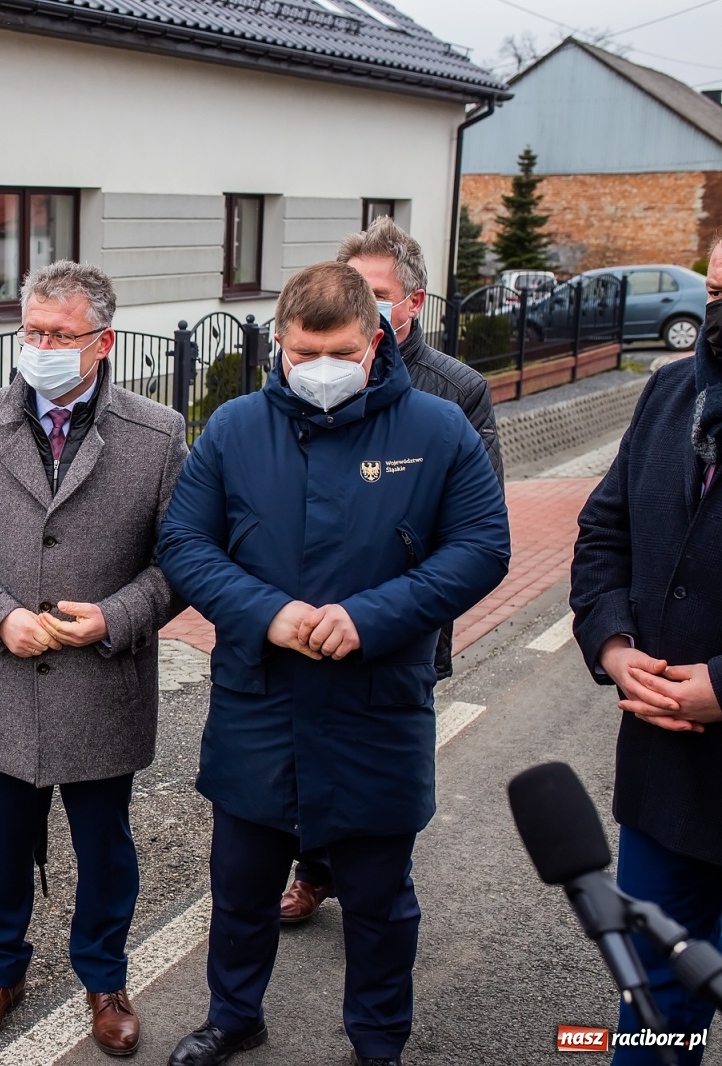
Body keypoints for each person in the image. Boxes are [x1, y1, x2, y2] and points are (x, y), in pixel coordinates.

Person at [156, 262, 510, 1066]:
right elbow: (183, 544)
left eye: (341, 352)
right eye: (302, 350)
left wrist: (370, 617)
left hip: (374, 705)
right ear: (276, 341)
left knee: (380, 902)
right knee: (242, 890)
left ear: (377, 339)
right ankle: (234, 1015)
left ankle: (378, 1039)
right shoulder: (235, 429)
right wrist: (265, 612)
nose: (320, 369)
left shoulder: (438, 429)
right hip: (260, 701)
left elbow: (484, 548)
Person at [0, 261, 188, 1057]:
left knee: (106, 846)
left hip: (102, 681)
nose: (40, 347)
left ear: (101, 343)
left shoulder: (157, 433)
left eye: (60, 335)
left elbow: (181, 561)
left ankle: (105, 978)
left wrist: (116, 615)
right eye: (30, 331)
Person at [280, 218, 509, 925]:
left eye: (379, 293)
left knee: (380, 768)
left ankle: (375, 884)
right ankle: (313, 870)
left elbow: (475, 528)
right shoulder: (299, 389)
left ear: (410, 303)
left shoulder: (453, 395)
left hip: (401, 627)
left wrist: (386, 612)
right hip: (302, 622)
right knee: (304, 751)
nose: (365, 301)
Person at [570, 239, 722, 1066]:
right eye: (717, 289)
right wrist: (616, 643)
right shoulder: (671, 392)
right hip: (667, 784)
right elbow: (606, 531)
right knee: (658, 1010)